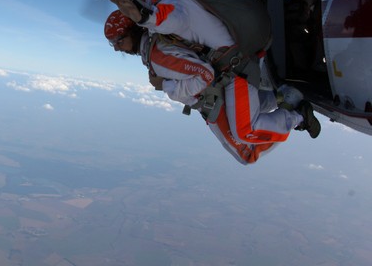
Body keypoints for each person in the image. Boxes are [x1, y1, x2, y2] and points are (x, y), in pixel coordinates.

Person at [89, 0, 321, 143]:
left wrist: (166, 83)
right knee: (242, 109)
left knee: (244, 133)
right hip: (248, 33)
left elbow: (158, 19)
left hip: (239, 61)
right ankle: (283, 96)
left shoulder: (171, 12)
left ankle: (298, 117)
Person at [105, 10, 288, 165]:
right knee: (261, 106)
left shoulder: (157, 55)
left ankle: (294, 112)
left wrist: (166, 86)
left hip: (215, 102)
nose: (116, 48)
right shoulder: (153, 47)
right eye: (112, 43)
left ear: (132, 31)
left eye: (118, 41)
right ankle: (286, 96)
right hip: (215, 98)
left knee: (248, 155)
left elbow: (205, 75)